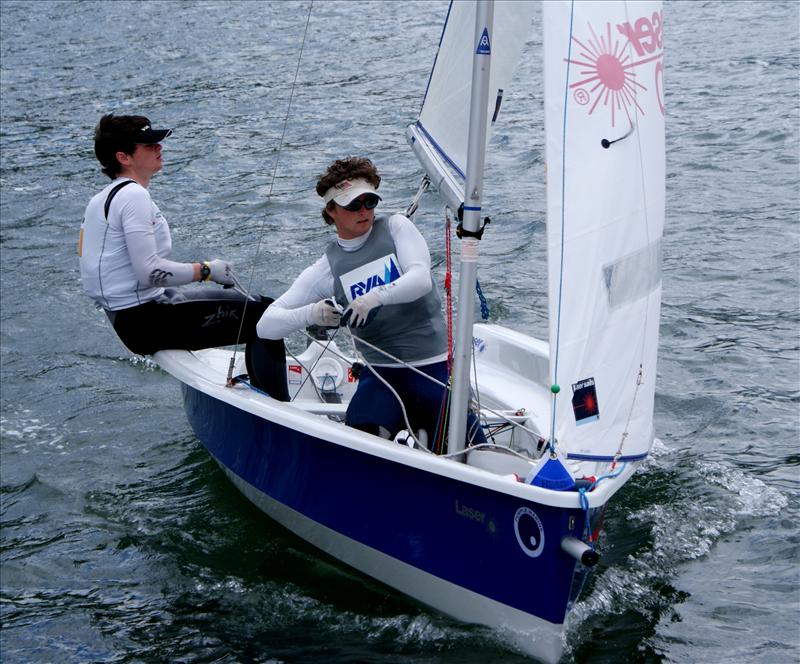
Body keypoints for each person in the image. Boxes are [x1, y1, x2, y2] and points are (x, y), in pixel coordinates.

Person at [256, 156, 485, 448]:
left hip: (433, 369)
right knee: (359, 439)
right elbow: (265, 326)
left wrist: (374, 297)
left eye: (370, 202)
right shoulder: (327, 268)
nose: (364, 211)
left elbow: (420, 278)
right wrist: (312, 313)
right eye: (353, 205)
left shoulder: (396, 228)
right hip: (381, 376)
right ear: (331, 211)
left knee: (472, 448)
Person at [79, 113, 287, 399]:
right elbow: (149, 272)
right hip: (145, 319)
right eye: (149, 144)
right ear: (123, 156)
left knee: (259, 305)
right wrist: (205, 270)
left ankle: (263, 390)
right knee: (267, 315)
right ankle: (278, 409)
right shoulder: (133, 196)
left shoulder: (101, 199)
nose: (159, 147)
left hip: (127, 318)